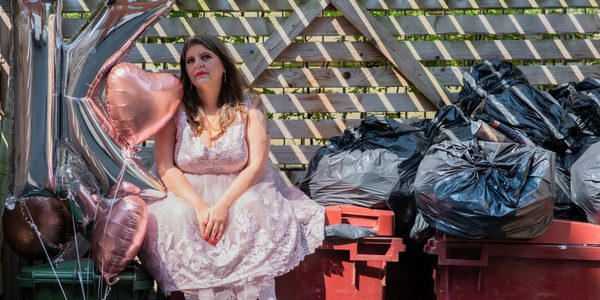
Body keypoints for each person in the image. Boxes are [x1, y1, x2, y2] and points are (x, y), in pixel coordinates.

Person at [138, 35, 325, 300]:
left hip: (241, 189)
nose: (197, 65)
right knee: (178, 215)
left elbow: (257, 164)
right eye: (190, 61)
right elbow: (166, 166)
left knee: (253, 206)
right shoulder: (175, 110)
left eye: (205, 57)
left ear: (224, 65)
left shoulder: (249, 106)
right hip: (188, 193)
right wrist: (201, 208)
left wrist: (223, 206)